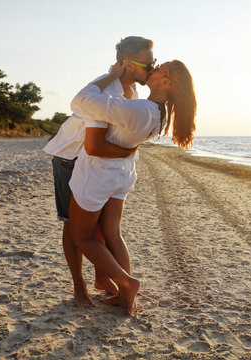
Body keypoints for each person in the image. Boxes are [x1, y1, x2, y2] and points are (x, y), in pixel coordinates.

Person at [68, 59, 196, 315]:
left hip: (99, 175)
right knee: (112, 234)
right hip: (121, 175)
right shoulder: (160, 113)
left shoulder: (139, 109)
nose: (154, 68)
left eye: (161, 67)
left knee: (81, 236)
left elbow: (82, 101)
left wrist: (109, 76)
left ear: (167, 82)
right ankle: (123, 294)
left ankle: (127, 283)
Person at [43, 36, 155, 307]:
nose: (152, 68)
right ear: (128, 64)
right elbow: (93, 140)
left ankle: (105, 281)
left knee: (103, 230)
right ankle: (79, 288)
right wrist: (126, 153)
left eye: (154, 63)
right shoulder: (106, 90)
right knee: (74, 227)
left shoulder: (132, 91)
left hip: (97, 164)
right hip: (71, 158)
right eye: (148, 64)